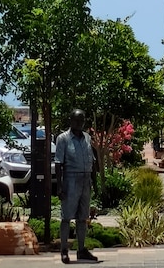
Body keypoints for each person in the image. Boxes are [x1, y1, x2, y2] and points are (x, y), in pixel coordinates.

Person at [55, 109, 99, 264]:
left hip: (85, 180)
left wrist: (95, 182)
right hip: (70, 180)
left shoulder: (87, 137)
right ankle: (64, 251)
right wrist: (59, 186)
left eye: (82, 121)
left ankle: (81, 250)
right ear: (71, 121)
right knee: (66, 217)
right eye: (77, 121)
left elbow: (92, 162)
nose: (80, 124)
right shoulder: (63, 139)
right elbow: (58, 163)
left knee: (82, 217)